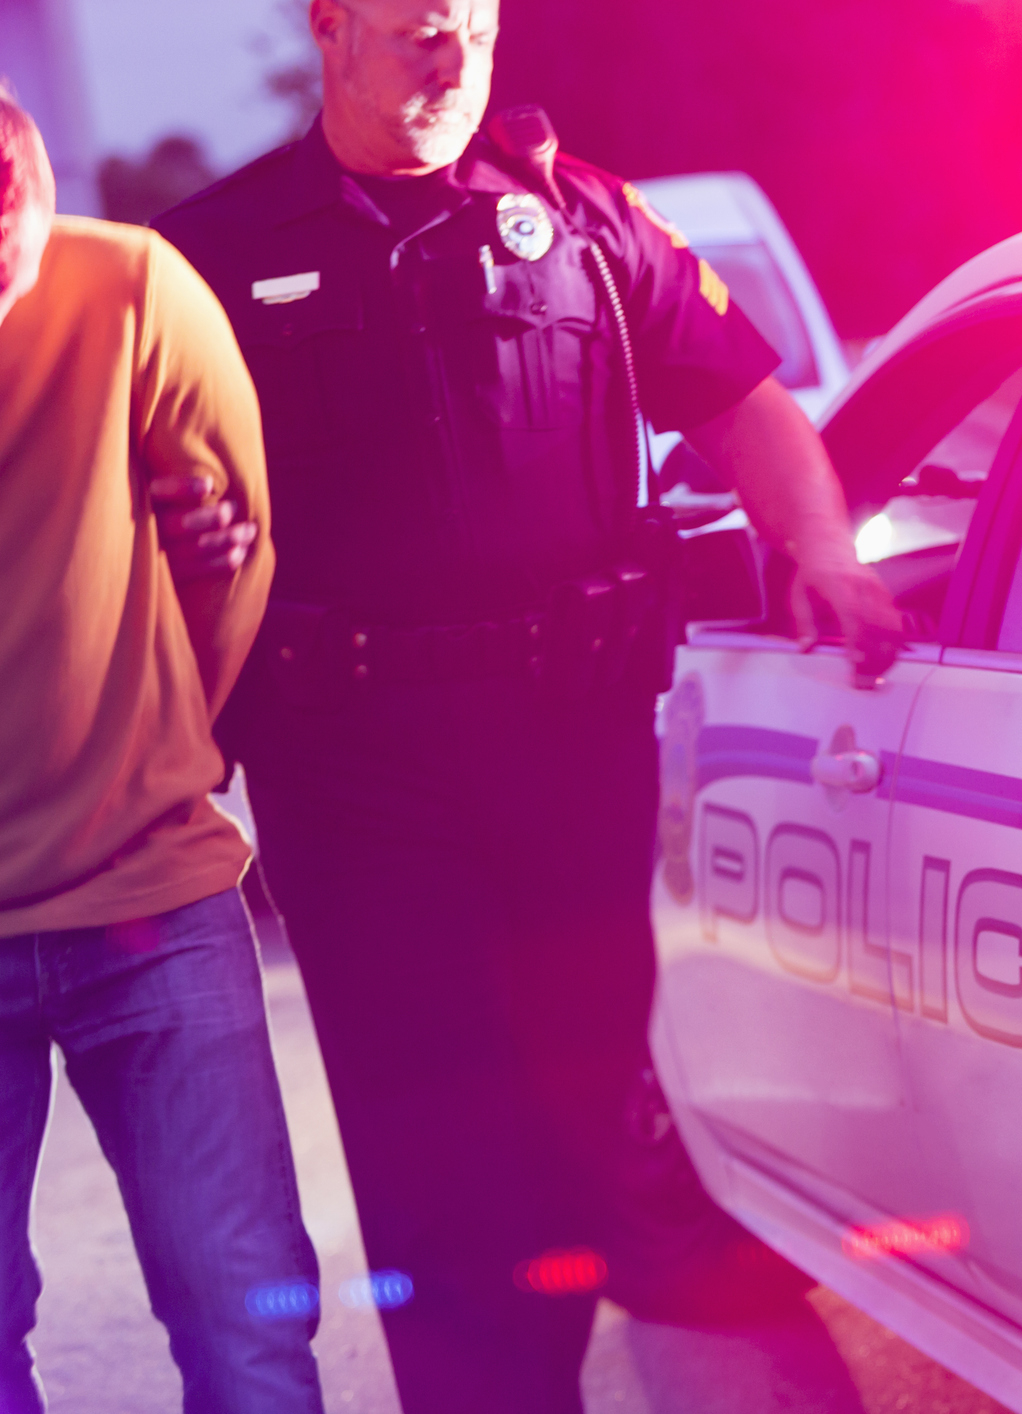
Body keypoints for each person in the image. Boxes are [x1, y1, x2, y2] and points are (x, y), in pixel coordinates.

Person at [151, 2, 905, 1410]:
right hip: (352, 770)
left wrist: (817, 550)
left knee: (585, 1117)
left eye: (471, 34)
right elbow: (133, 473)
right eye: (415, 32)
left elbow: (743, 401)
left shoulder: (582, 223)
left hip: (571, 748)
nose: (447, 63)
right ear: (331, 27)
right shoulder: (214, 253)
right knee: (431, 1151)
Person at [0, 95, 324, 1412]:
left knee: (243, 1315)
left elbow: (231, 566)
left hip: (151, 898)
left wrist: (140, 747)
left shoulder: (132, 286)